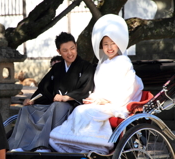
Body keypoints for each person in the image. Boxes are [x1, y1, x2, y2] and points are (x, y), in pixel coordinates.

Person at [49, 14, 144, 154]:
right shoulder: (103, 63)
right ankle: (75, 144)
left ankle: (95, 144)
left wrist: (105, 100)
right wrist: (94, 98)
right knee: (79, 110)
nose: (109, 47)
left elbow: (126, 89)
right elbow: (99, 88)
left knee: (85, 112)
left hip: (117, 103)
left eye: (113, 43)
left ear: (119, 43)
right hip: (102, 102)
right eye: (105, 44)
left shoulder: (124, 62)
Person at [7, 32, 95, 152]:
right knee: (26, 110)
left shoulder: (86, 67)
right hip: (54, 105)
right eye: (65, 50)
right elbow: (44, 88)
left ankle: (43, 145)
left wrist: (67, 97)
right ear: (58, 51)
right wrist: (32, 100)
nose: (70, 53)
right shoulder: (57, 68)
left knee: (57, 106)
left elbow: (86, 89)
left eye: (72, 48)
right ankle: (19, 145)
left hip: (71, 106)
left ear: (76, 46)